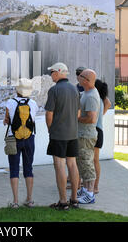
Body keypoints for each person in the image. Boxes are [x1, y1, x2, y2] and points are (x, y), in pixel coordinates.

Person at [45, 62, 80, 210]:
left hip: (58, 134)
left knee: (59, 165)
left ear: (59, 72)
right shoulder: (75, 89)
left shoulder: (54, 90)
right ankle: (74, 199)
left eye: (52, 72)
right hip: (73, 133)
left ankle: (63, 201)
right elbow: (78, 113)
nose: (51, 74)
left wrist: (50, 129)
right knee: (72, 164)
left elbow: (49, 114)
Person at [3, 78, 38, 208]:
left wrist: (7, 120)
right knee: (28, 168)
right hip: (29, 139)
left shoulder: (10, 103)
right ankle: (29, 199)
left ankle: (15, 201)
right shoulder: (33, 103)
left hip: (14, 139)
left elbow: (7, 120)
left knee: (14, 168)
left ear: (17, 90)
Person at [76, 69, 100, 204]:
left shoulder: (91, 96)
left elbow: (91, 119)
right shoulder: (86, 92)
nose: (78, 78)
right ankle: (85, 190)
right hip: (82, 135)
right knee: (82, 164)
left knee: (87, 164)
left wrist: (77, 118)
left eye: (80, 76)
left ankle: (90, 193)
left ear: (86, 80)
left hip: (86, 136)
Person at [93, 79, 111, 194]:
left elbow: (108, 103)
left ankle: (95, 186)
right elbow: (108, 103)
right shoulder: (98, 98)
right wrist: (101, 115)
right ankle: (91, 185)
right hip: (98, 130)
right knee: (92, 160)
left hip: (95, 131)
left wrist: (101, 115)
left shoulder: (96, 98)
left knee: (93, 160)